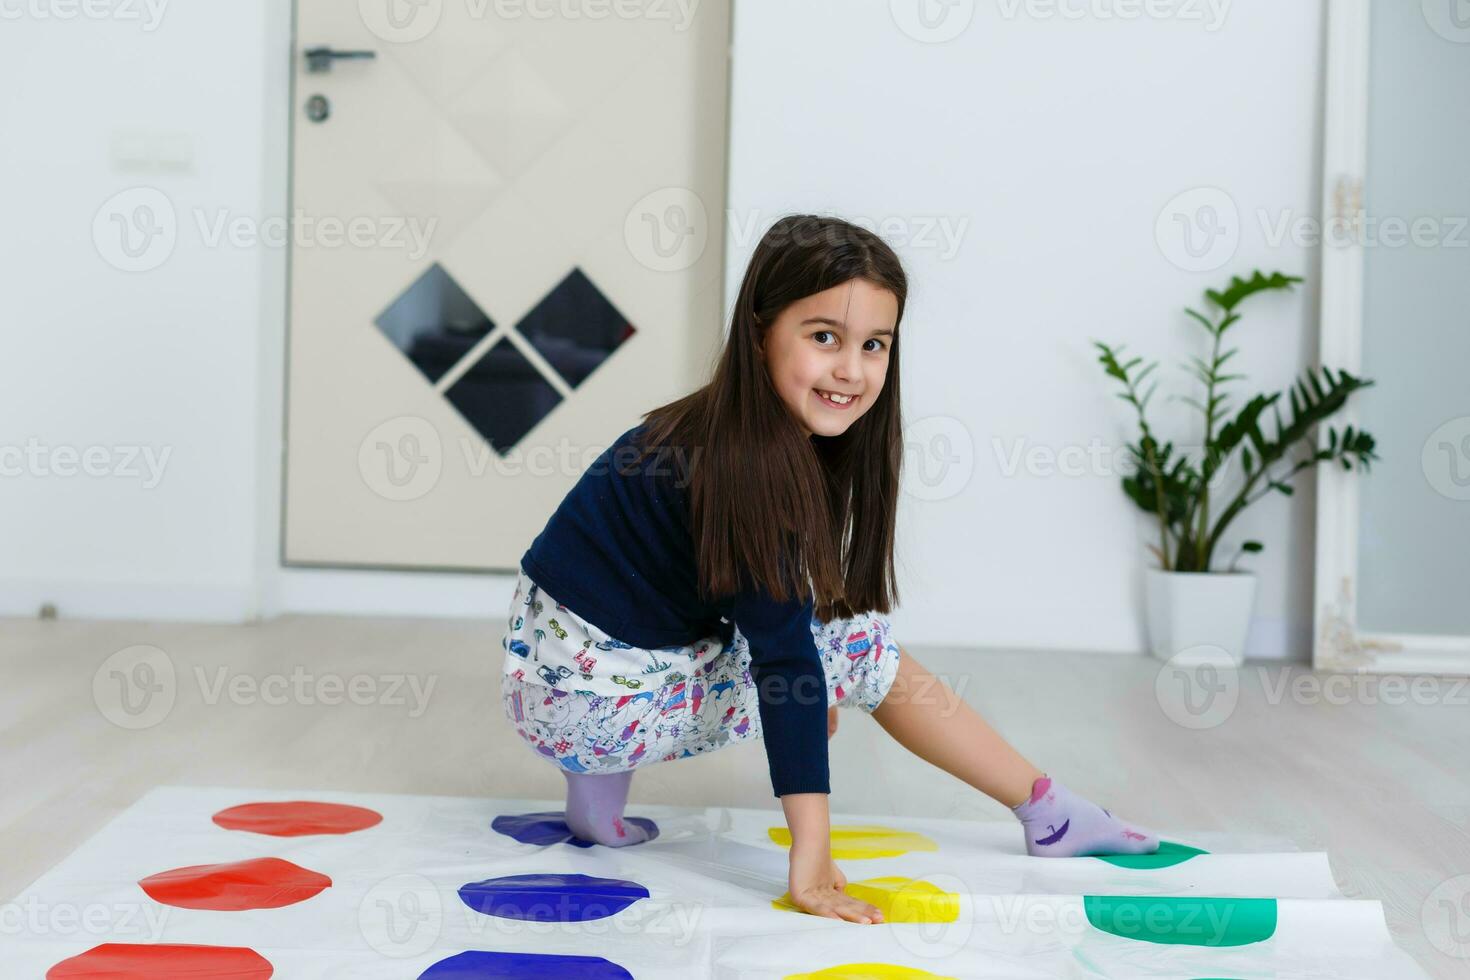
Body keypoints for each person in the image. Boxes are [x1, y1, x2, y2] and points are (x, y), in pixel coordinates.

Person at [500, 214, 1159, 925]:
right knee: (857, 648)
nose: (851, 369)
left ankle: (595, 809)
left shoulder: (698, 430)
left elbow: (607, 586)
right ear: (759, 334)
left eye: (874, 344)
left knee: (800, 635)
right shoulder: (748, 471)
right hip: (595, 712)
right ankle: (1049, 811)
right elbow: (787, 665)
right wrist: (811, 853)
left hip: (549, 684)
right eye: (824, 338)